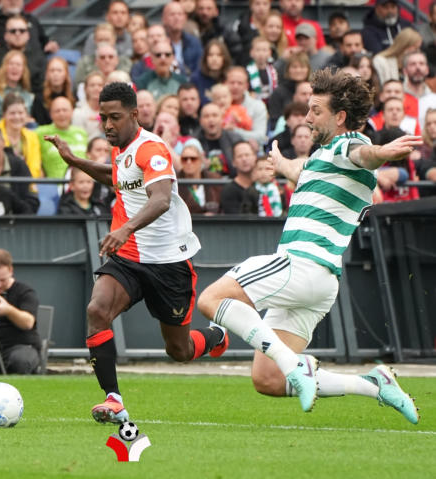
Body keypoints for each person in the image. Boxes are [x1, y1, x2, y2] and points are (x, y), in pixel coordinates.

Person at [197, 68, 422, 424]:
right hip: (321, 283)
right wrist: (282, 163)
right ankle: (374, 385)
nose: (307, 117)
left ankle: (294, 365)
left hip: (299, 264)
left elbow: (365, 154)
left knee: (210, 300)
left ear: (340, 117)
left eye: (316, 110)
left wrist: (383, 152)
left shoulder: (349, 144)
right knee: (268, 380)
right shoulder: (325, 158)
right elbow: (301, 171)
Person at [44, 82, 228, 424]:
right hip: (128, 257)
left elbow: (161, 198)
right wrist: (73, 160)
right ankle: (113, 400)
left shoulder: (152, 149)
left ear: (134, 114)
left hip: (168, 261)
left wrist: (125, 228)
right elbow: (116, 177)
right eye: (103, 118)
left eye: (114, 117)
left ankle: (216, 336)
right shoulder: (120, 149)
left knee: (179, 351)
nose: (107, 125)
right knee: (97, 310)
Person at [0, 14, 47, 95]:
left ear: (28, 35)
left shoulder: (39, 57)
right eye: (13, 31)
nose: (17, 34)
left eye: (22, 31)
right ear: (5, 35)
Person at [36, 96, 88, 178]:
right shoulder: (40, 133)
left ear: (72, 112)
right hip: (56, 183)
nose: (61, 114)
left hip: (83, 182)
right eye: (57, 111)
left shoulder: (82, 133)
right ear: (50, 114)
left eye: (65, 110)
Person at [0, 92, 42, 178]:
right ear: (4, 115)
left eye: (20, 113)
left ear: (26, 115)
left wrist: (30, 182)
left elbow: (35, 166)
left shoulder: (32, 136)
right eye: (12, 113)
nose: (17, 117)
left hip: (27, 182)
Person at [0, 50, 34, 121]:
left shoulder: (26, 94)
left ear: (23, 70)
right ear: (4, 67)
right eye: (11, 64)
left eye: (18, 65)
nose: (14, 67)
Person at [197, 102, 242, 177]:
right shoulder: (195, 142)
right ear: (200, 121)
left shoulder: (235, 139)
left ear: (222, 119)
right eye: (206, 116)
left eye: (215, 115)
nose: (211, 119)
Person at [177, 141, 222, 214]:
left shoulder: (214, 179)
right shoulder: (174, 182)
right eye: (185, 159)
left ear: (200, 160)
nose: (189, 162)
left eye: (193, 159)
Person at [31, 57, 75, 126]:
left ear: (66, 74)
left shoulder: (73, 97)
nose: (55, 74)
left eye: (59, 71)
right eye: (52, 71)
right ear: (47, 74)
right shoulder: (39, 98)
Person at [219, 141, 259, 214]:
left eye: (247, 155)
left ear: (255, 157)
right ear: (233, 162)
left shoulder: (265, 186)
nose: (244, 159)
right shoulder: (228, 191)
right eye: (239, 156)